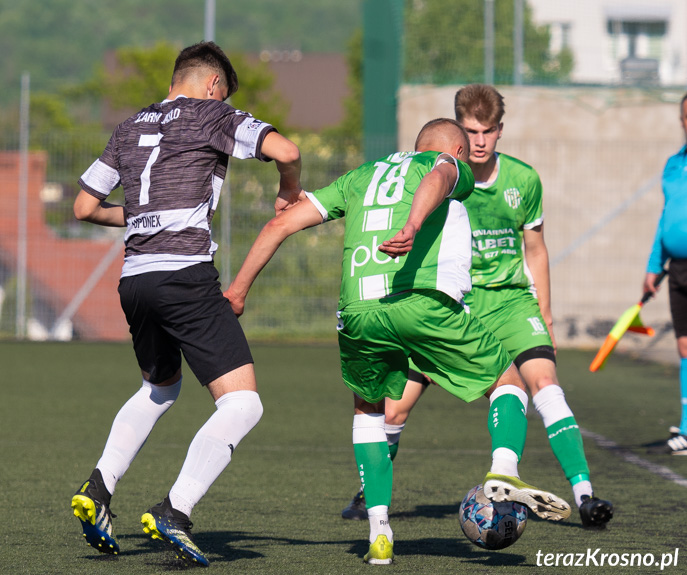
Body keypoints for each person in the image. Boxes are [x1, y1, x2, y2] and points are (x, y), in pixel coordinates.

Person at [225, 119, 570, 566]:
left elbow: (282, 224)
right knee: (508, 383)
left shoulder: (359, 177)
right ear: (458, 150)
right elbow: (440, 175)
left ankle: (379, 531)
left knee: (370, 410)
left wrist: (237, 291)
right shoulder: (449, 163)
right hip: (420, 303)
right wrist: (412, 223)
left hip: (356, 314)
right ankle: (504, 470)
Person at [69, 41, 303, 567]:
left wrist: (139, 219)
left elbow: (84, 206)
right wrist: (290, 188)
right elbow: (285, 151)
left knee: (160, 387)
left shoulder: (129, 126)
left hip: (135, 280)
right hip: (184, 276)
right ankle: (175, 509)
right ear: (214, 86)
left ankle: (99, 488)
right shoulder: (212, 113)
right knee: (243, 403)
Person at [339, 84, 613, 529]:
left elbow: (537, 249)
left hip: (509, 302)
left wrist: (544, 311)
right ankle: (371, 491)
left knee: (543, 381)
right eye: (472, 131)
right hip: (449, 304)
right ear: (458, 136)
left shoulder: (523, 180)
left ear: (500, 131)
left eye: (488, 131)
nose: (481, 140)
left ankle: (584, 494)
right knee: (393, 409)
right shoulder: (435, 174)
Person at [645, 92, 687, 455]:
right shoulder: (674, 165)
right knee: (685, 346)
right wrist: (653, 266)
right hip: (677, 268)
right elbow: (667, 218)